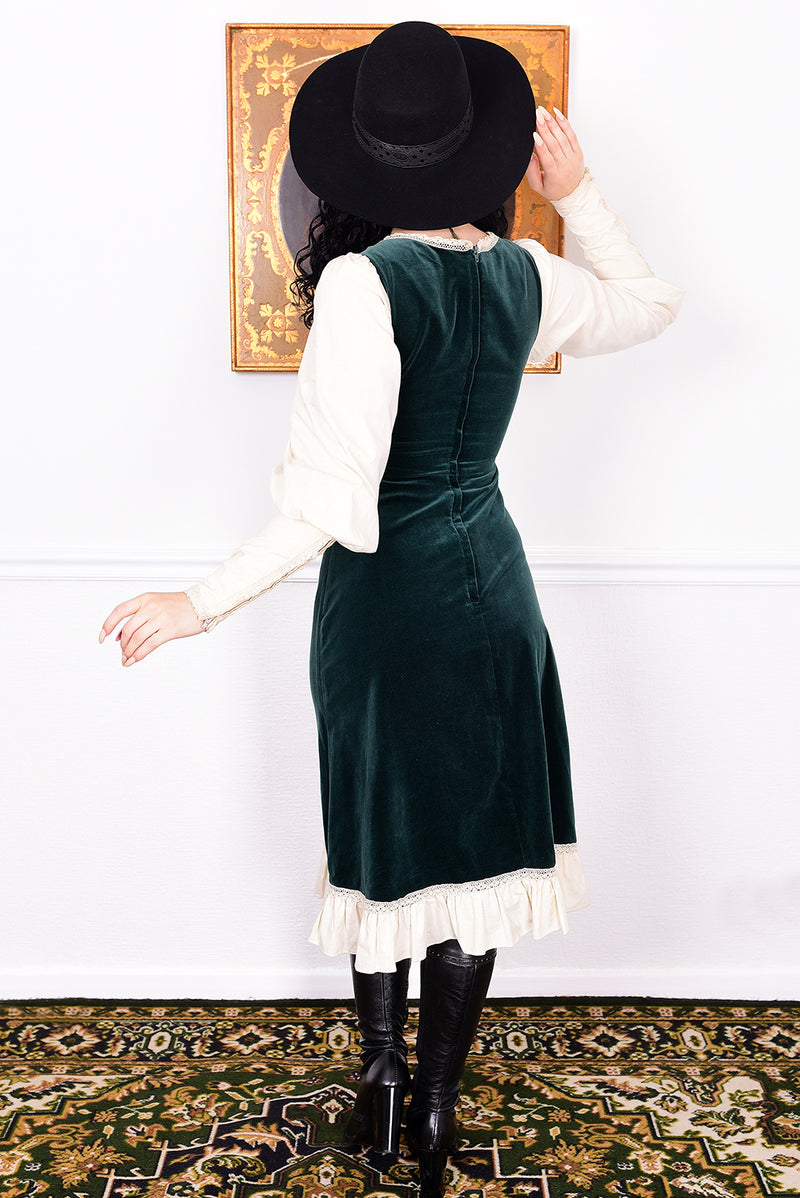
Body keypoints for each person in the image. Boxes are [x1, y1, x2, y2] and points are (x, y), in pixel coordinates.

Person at [99, 21, 684, 1197]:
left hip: (386, 609)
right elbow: (651, 303)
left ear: (369, 160)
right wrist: (578, 192)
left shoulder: (363, 286)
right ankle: (430, 1106)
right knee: (471, 856)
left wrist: (198, 604)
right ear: (480, 152)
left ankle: (380, 1082)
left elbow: (328, 504)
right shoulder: (523, 276)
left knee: (383, 846)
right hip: (497, 599)